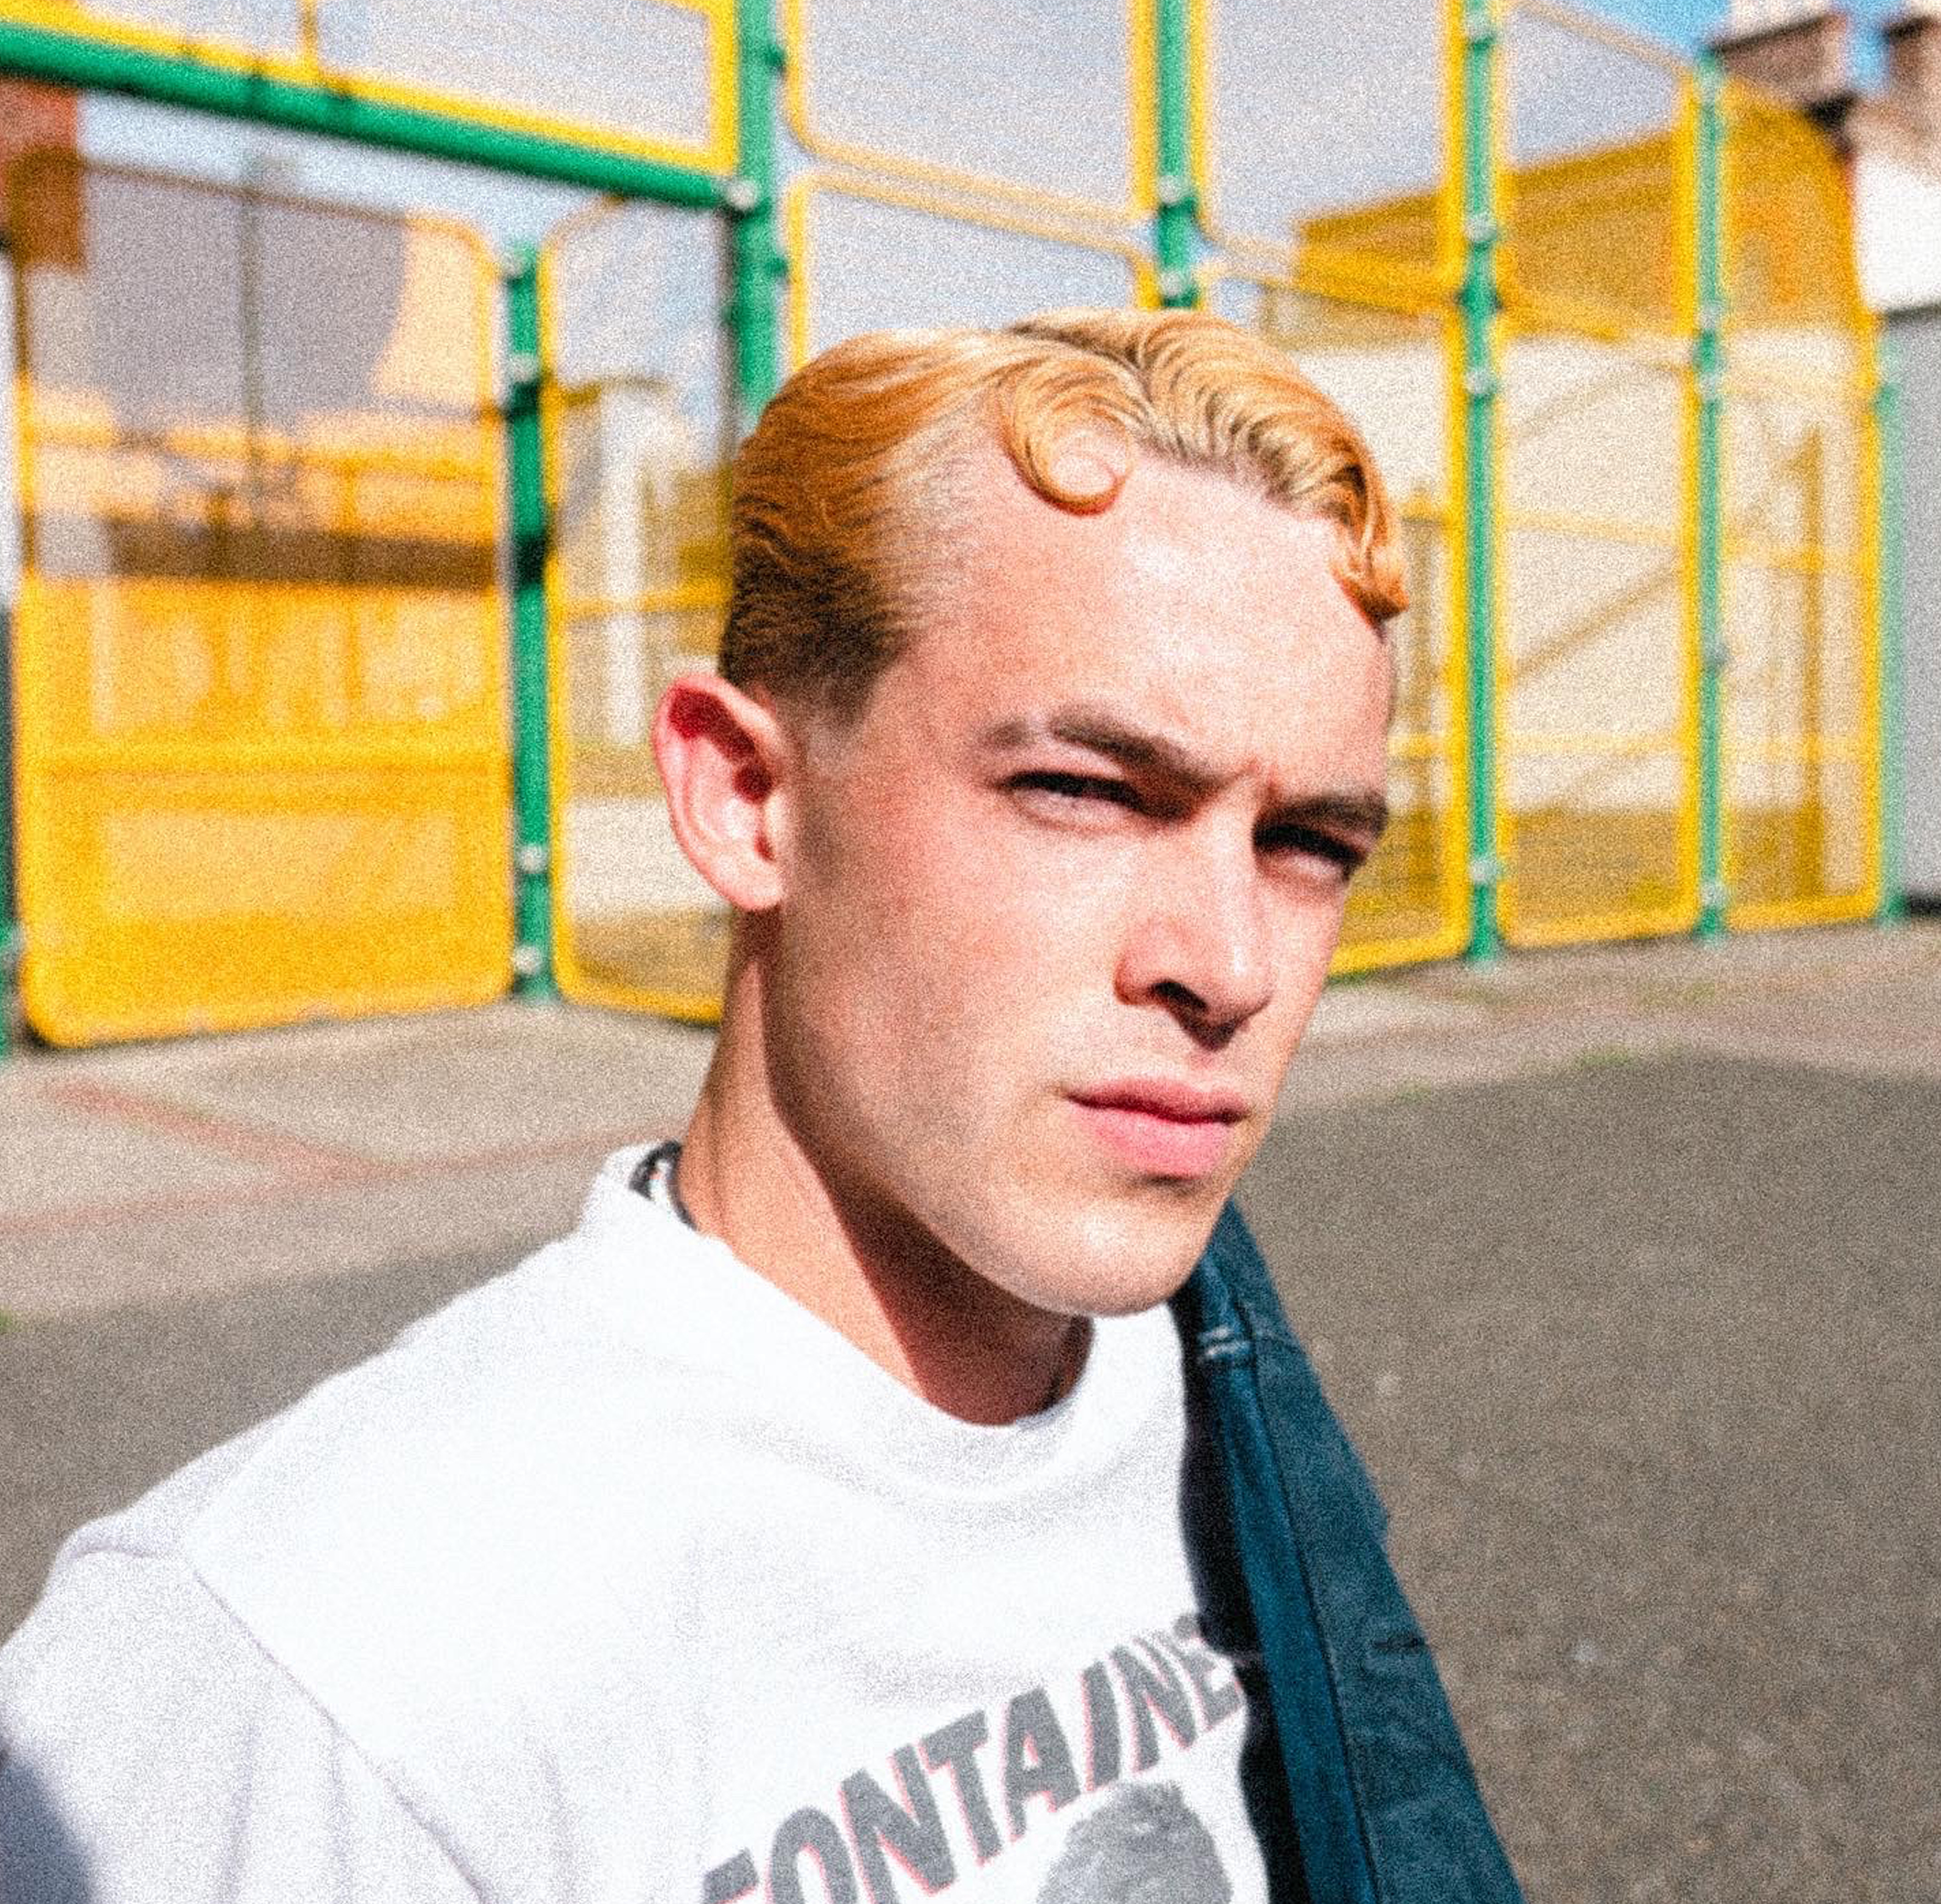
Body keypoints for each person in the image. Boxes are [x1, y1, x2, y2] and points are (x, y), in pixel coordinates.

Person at [0, 309, 1522, 1903]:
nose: (1226, 964)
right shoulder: (302, 1671)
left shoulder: (1217, 1381)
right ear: (741, 798)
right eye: (1081, 790)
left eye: (1311, 845)